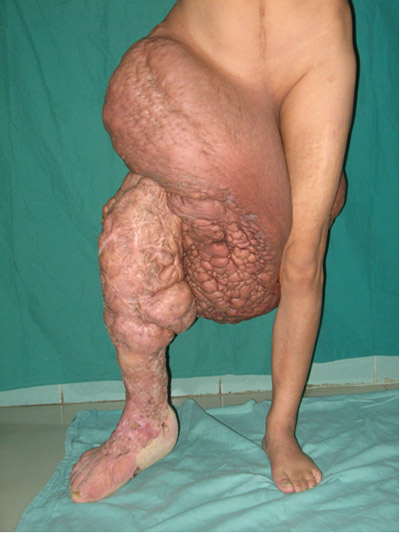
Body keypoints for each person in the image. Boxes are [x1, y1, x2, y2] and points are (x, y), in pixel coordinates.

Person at [70, 0, 356, 502]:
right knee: (128, 241)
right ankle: (146, 419)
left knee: (302, 258)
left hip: (311, 50)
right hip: (201, 52)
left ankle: (280, 429)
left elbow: (302, 263)